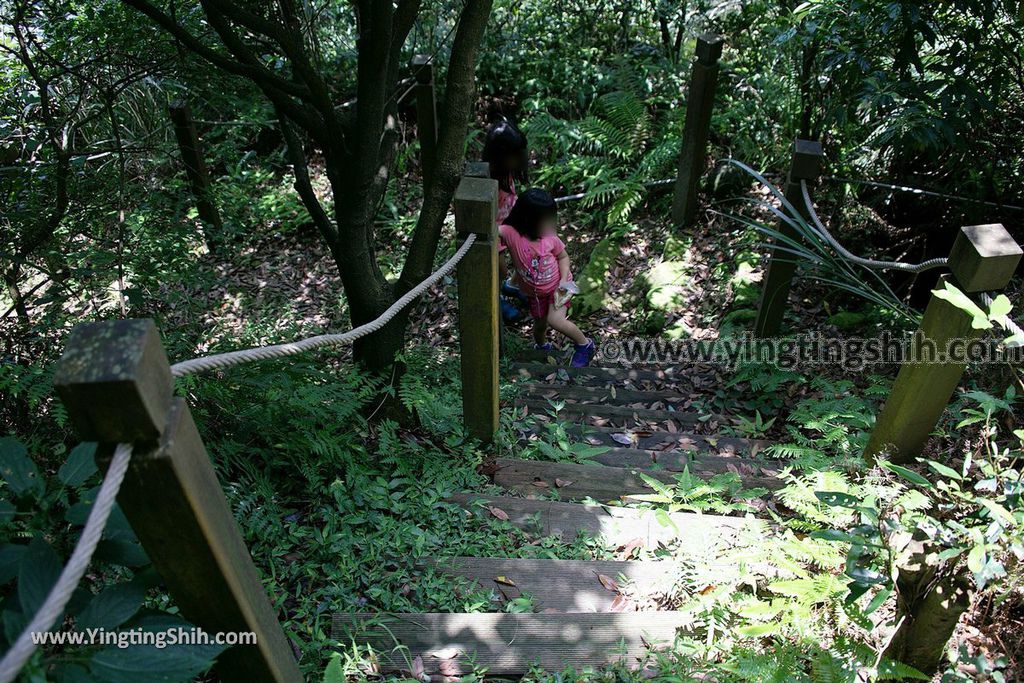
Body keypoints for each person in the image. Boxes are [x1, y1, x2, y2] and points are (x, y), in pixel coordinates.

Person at [499, 189, 596, 367]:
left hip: (560, 287)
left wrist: (563, 280)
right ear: (528, 220)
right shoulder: (510, 233)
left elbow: (563, 256)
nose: (550, 224)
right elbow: (489, 231)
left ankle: (585, 345)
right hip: (535, 293)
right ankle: (542, 345)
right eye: (545, 220)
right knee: (539, 324)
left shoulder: (550, 237)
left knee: (555, 320)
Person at [483, 119, 531, 324]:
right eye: (514, 157)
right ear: (500, 157)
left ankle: (512, 286)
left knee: (527, 258)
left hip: (511, 224)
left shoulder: (507, 172)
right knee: (499, 270)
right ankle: (497, 298)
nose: (518, 160)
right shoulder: (488, 180)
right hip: (494, 234)